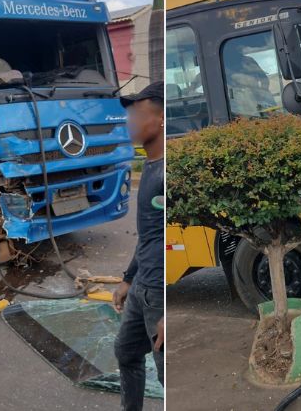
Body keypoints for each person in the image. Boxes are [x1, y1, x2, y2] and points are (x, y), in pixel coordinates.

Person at [113, 81, 165, 411]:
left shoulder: (165, 174)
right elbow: (149, 235)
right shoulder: (148, 165)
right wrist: (128, 279)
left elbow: (169, 239)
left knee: (167, 376)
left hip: (158, 295)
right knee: (126, 352)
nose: (130, 122)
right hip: (141, 287)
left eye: (138, 114)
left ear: (161, 119)